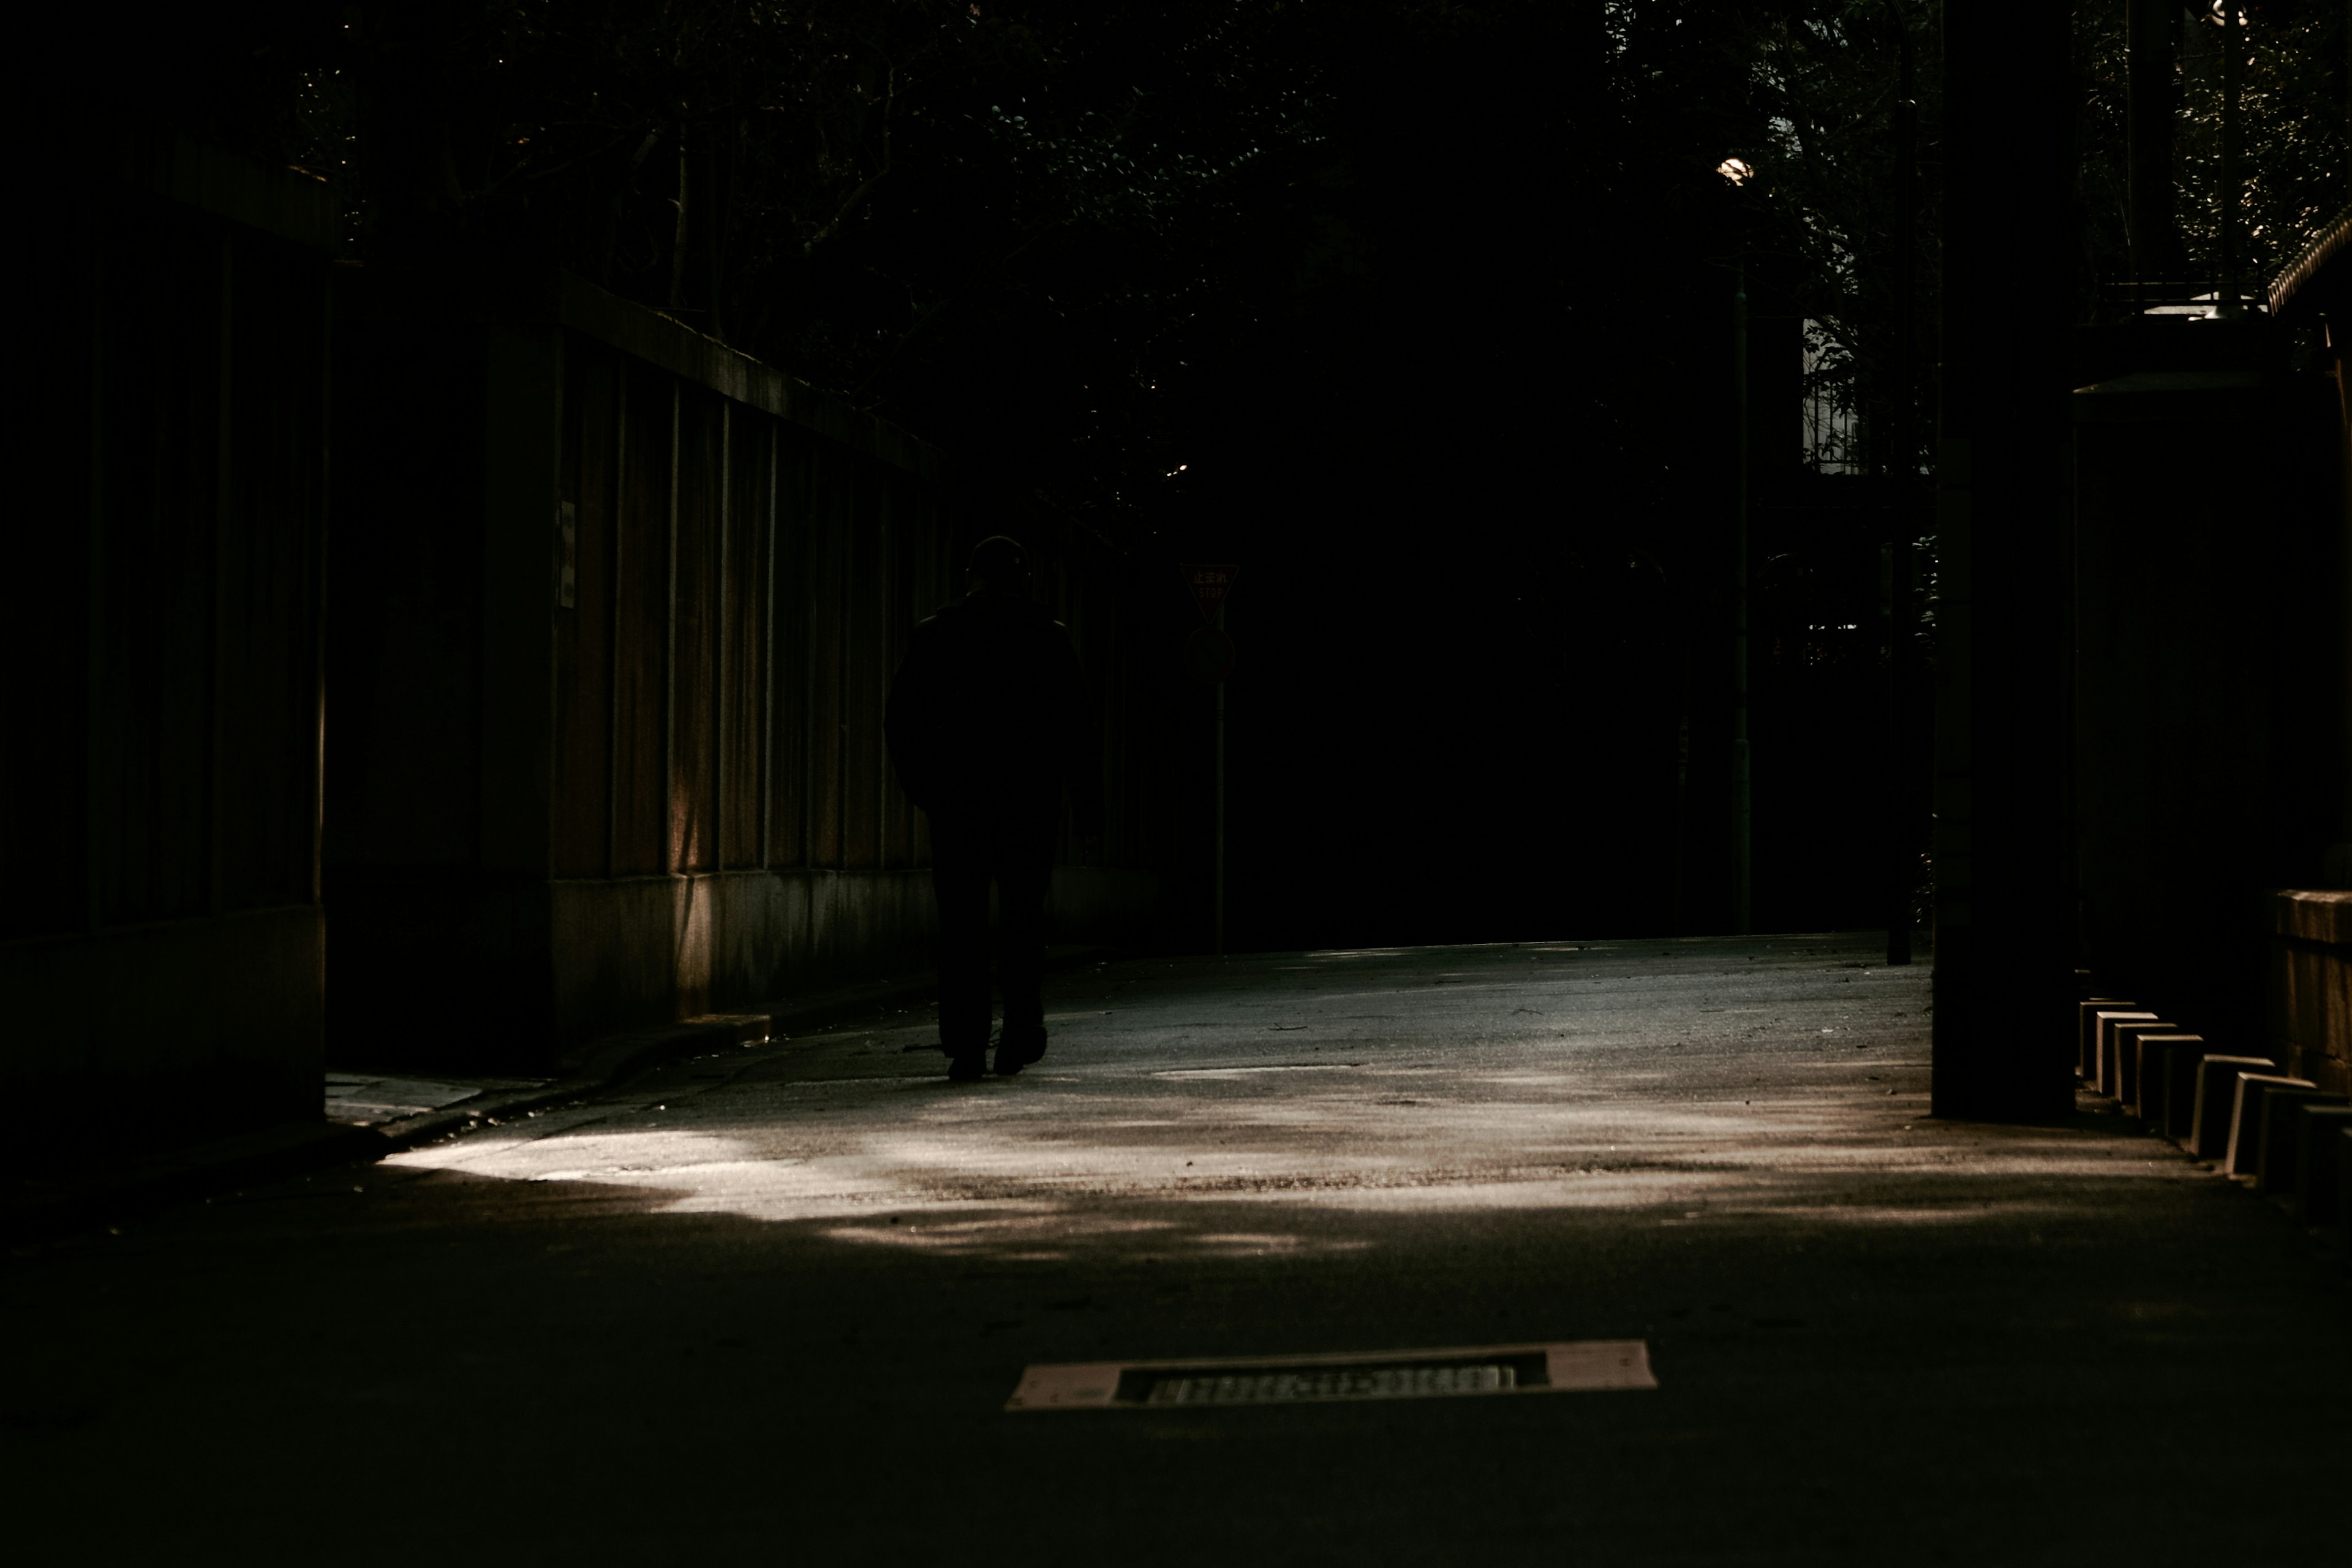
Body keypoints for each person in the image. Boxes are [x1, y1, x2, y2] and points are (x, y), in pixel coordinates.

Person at [886, 536, 1104, 1080]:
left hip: (958, 806)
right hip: (1029, 805)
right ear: (1025, 579)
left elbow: (903, 724)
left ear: (970, 577)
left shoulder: (935, 636)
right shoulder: (1047, 640)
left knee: (961, 926)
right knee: (1023, 922)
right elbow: (1077, 731)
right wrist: (1088, 809)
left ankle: (965, 1044)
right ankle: (1022, 1031)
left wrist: (926, 791)